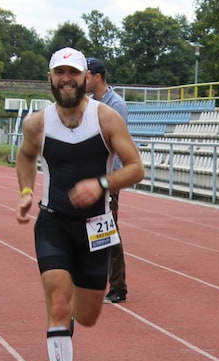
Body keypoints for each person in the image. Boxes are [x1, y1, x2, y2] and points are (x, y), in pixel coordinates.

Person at [15, 47, 144, 361]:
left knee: (85, 315)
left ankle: (65, 324)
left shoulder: (105, 119)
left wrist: (101, 183)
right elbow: (25, 157)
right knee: (57, 299)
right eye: (60, 73)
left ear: (86, 77)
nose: (67, 79)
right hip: (53, 221)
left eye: (74, 73)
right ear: (51, 79)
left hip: (96, 226)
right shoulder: (37, 123)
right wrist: (25, 194)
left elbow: (136, 168)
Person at [86, 56, 129, 304]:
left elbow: (117, 144)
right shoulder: (91, 104)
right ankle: (94, 281)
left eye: (86, 75)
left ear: (97, 76)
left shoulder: (116, 106)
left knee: (107, 229)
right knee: (92, 229)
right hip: (93, 175)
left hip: (109, 177)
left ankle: (118, 287)